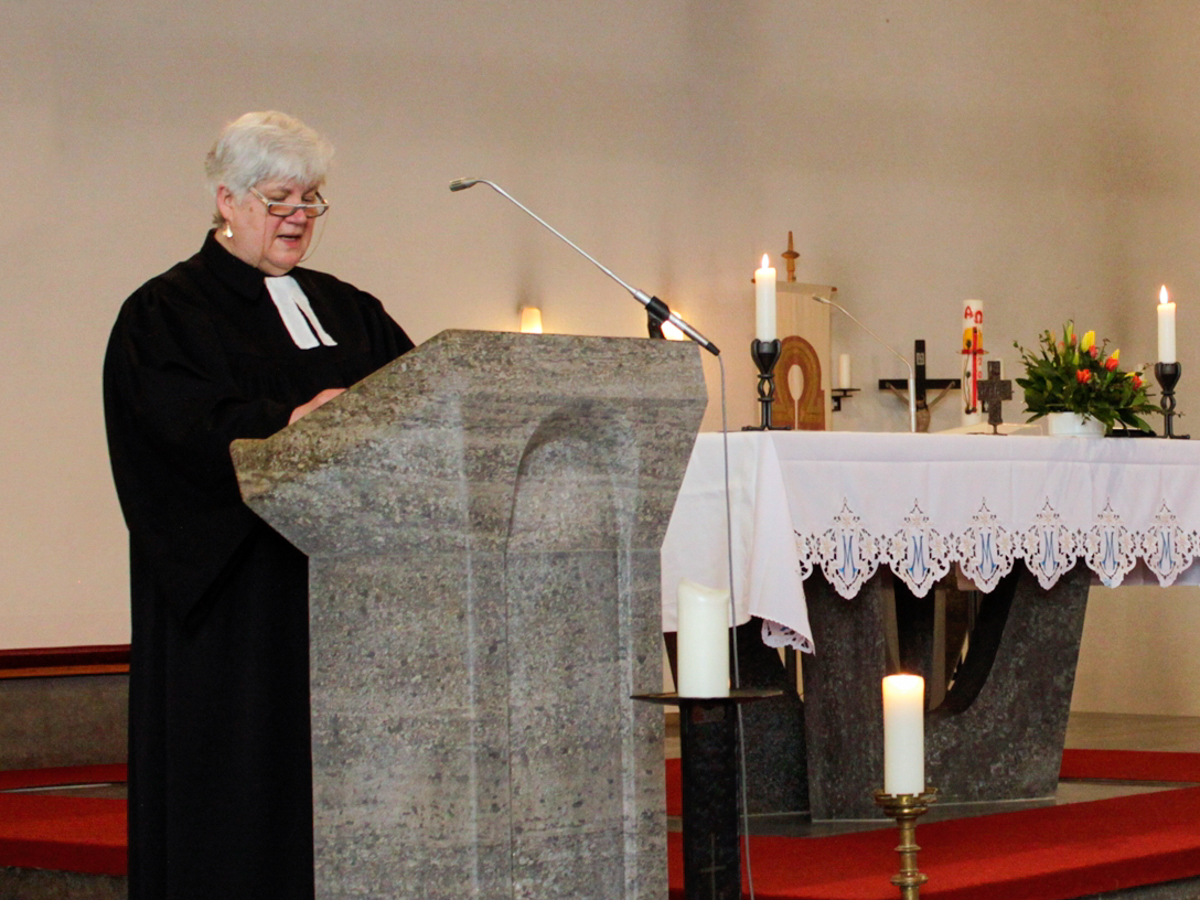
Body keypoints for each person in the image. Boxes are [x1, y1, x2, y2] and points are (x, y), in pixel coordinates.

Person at [103, 111, 415, 900]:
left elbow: (418, 402)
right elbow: (172, 429)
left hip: (351, 596)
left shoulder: (348, 307)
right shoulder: (164, 313)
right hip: (241, 601)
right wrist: (285, 425)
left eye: (311, 198)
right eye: (279, 198)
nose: (299, 216)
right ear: (228, 201)